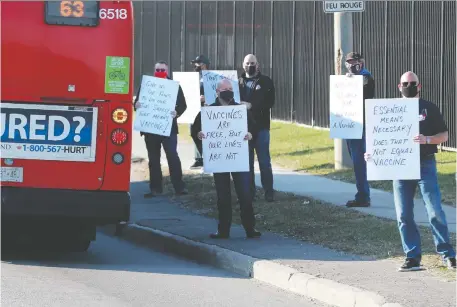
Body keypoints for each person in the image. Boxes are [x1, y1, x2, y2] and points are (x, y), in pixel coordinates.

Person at [365, 71, 456, 271]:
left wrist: (428, 139)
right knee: (403, 214)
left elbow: (444, 134)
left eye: (412, 83)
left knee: (434, 210)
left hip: (425, 163)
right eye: (405, 83)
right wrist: (372, 156)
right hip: (400, 167)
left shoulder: (428, 108)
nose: (408, 85)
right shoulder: (388, 110)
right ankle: (412, 256)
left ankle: (447, 253)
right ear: (399, 86)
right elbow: (377, 140)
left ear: (419, 85)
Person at [191, 79, 261, 239]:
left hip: (238, 158)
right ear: (217, 92)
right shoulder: (208, 112)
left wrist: (250, 135)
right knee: (223, 196)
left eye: (230, 88)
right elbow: (196, 130)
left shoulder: (240, 110)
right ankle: (223, 230)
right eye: (225, 89)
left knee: (245, 194)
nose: (228, 91)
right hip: (219, 159)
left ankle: (250, 228)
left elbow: (254, 128)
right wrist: (199, 136)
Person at [134, 61, 188, 198]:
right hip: (150, 129)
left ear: (167, 71)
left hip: (168, 128)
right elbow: (137, 103)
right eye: (157, 69)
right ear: (154, 70)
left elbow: (183, 105)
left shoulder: (174, 86)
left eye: (162, 69)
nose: (160, 72)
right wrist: (137, 104)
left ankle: (179, 187)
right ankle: (155, 188)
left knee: (172, 156)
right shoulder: (147, 84)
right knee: (153, 159)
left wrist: (177, 112)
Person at [239, 54, 275, 202]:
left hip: (261, 127)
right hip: (243, 128)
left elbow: (270, 102)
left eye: (252, 63)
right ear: (243, 65)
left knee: (264, 162)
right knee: (247, 164)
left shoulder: (266, 81)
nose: (250, 66)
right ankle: (249, 193)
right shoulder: (237, 83)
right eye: (247, 63)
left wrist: (252, 105)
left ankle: (269, 192)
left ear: (258, 64)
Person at [344, 52, 375, 207]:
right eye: (349, 62)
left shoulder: (366, 78)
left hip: (360, 125)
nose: (351, 65)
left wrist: (352, 81)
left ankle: (363, 195)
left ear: (361, 62)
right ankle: (362, 193)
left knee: (359, 161)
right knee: (355, 160)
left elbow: (366, 94)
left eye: (354, 62)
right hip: (349, 123)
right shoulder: (347, 78)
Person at [188, 55, 210, 169]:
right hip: (194, 108)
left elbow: (218, 92)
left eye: (197, 63)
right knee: (193, 131)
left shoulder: (211, 77)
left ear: (204, 64)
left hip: (206, 109)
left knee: (204, 133)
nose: (195, 65)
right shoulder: (194, 77)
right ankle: (200, 158)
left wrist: (207, 98)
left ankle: (205, 158)